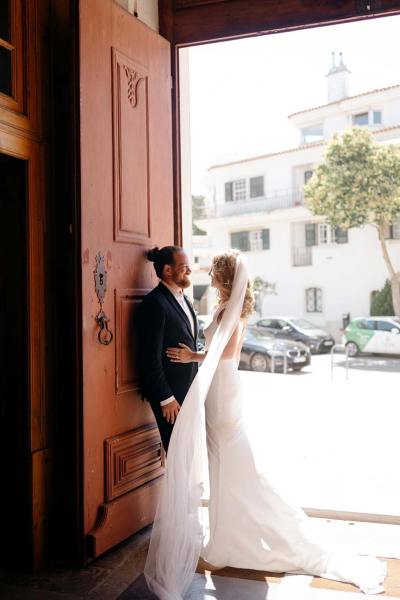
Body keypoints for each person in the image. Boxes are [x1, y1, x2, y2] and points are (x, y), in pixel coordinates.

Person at [144, 250, 386, 599]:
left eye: (213, 271)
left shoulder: (229, 309)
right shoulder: (228, 306)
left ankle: (248, 531)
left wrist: (193, 356)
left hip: (224, 390)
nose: (207, 275)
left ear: (223, 277)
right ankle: (226, 534)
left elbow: (227, 354)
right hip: (220, 389)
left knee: (230, 459)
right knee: (222, 462)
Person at [137, 246, 198, 452]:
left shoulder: (185, 299)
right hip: (171, 398)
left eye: (189, 266)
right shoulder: (155, 303)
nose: (189, 271)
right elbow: (149, 357)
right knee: (177, 453)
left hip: (190, 392)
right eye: (184, 267)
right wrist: (166, 398)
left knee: (190, 454)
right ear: (167, 270)